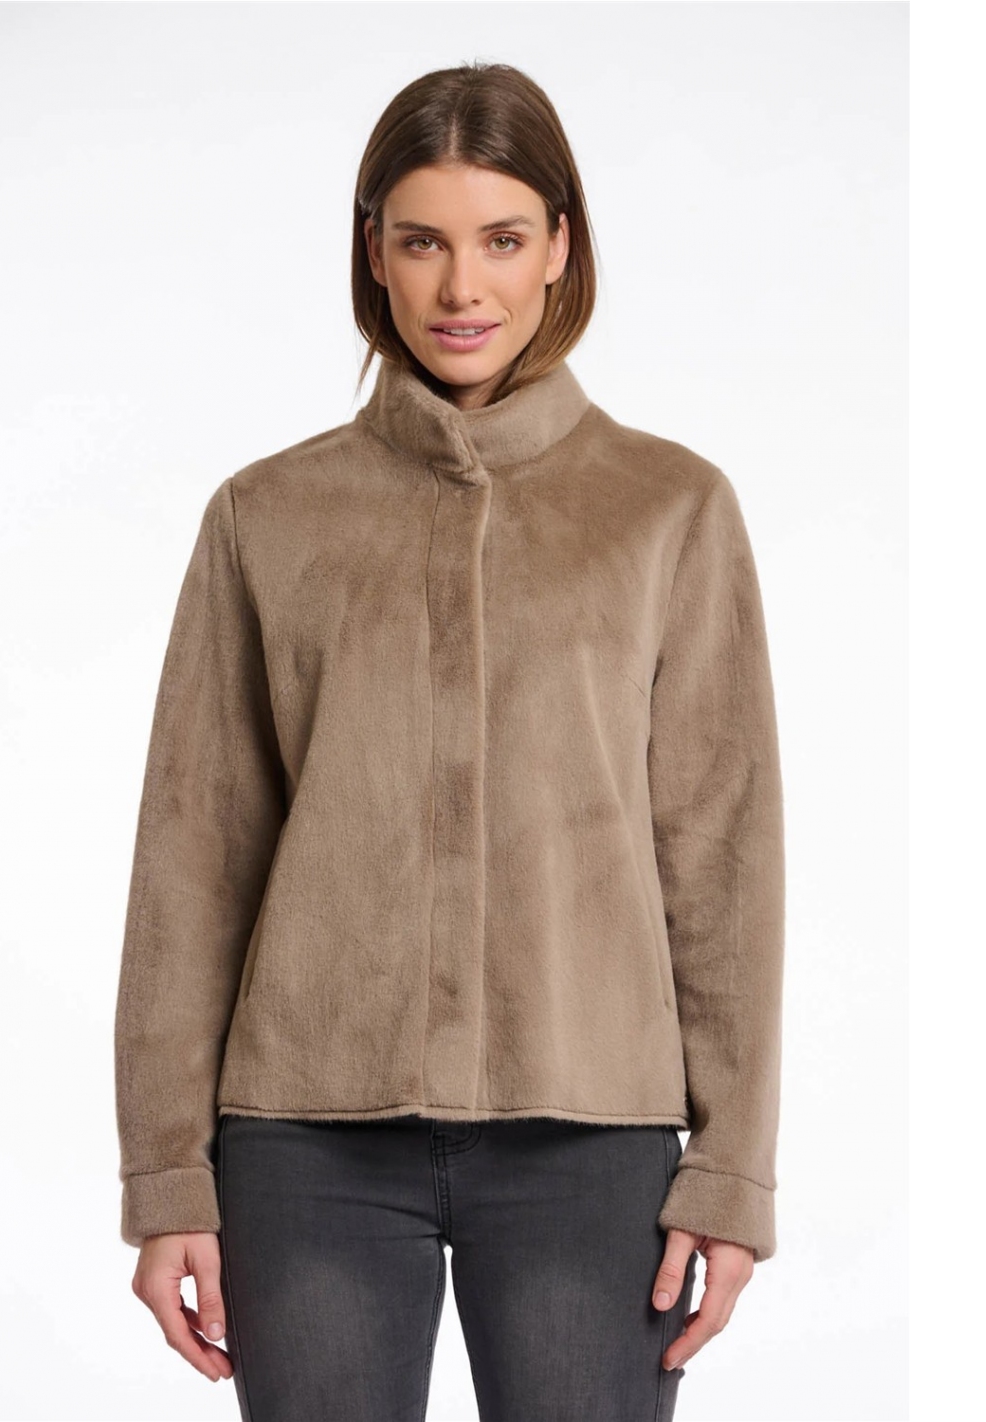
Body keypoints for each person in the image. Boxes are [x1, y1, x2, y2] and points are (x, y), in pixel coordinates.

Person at [114, 60, 785, 1422]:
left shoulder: (669, 509)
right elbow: (195, 860)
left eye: (502, 240)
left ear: (561, 247)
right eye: (422, 241)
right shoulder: (267, 515)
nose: (462, 287)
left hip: (591, 1137)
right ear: (374, 251)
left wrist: (732, 1172)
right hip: (306, 1143)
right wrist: (167, 1176)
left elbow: (722, 860)